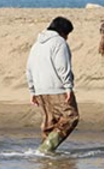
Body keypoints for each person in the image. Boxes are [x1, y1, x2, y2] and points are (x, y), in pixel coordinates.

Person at [26, 17, 78, 154]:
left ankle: (46, 162)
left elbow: (29, 68)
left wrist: (32, 90)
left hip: (40, 89)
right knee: (70, 117)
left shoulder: (36, 44)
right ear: (62, 32)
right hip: (57, 88)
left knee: (50, 124)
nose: (67, 38)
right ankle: (45, 149)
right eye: (67, 34)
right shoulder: (59, 42)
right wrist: (68, 87)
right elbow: (63, 67)